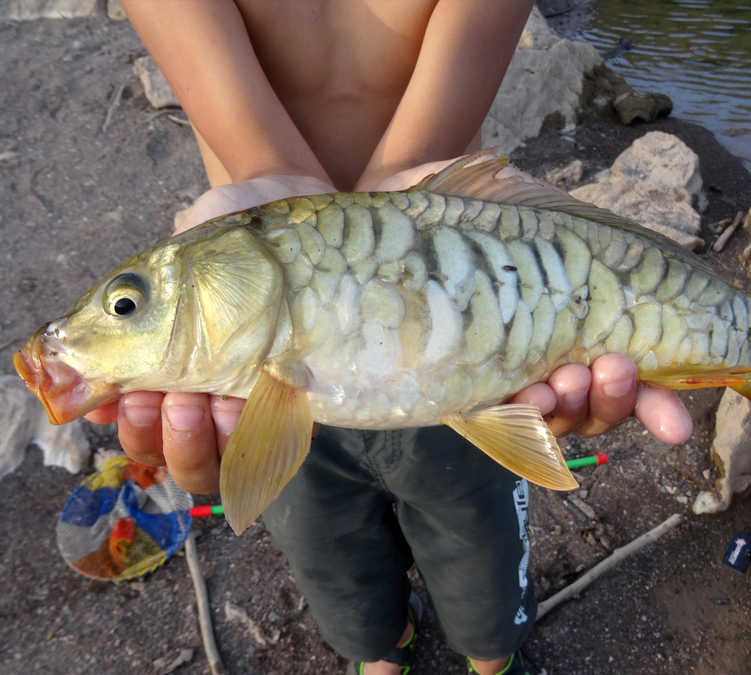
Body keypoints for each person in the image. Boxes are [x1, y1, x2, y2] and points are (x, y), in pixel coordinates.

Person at [85, 2, 693, 673]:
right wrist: (308, 218)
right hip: (271, 370)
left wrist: (304, 219)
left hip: (459, 330)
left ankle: (490, 656)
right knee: (335, 565)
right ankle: (384, 650)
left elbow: (414, 157)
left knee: (479, 560)